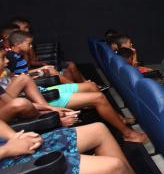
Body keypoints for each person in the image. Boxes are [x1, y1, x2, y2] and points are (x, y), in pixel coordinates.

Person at [4, 34, 147, 142]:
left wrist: (38, 72)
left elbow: (21, 79)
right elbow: (16, 104)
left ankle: (119, 118)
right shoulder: (10, 69)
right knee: (98, 98)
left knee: (91, 86)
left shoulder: (6, 73)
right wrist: (49, 109)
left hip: (41, 93)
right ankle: (127, 133)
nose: (6, 61)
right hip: (44, 99)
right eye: (2, 58)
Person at [0, 120, 164, 174]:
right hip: (7, 173)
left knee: (99, 130)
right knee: (114, 167)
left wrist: (15, 137)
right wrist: (8, 149)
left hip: (8, 147)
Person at [10, 17, 87, 83]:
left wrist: (43, 65)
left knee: (70, 66)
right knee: (67, 70)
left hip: (33, 71)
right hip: (31, 74)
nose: (28, 29)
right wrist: (42, 67)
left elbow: (31, 62)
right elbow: (22, 72)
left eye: (28, 27)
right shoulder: (15, 53)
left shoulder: (26, 46)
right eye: (25, 27)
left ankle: (85, 84)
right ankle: (81, 87)